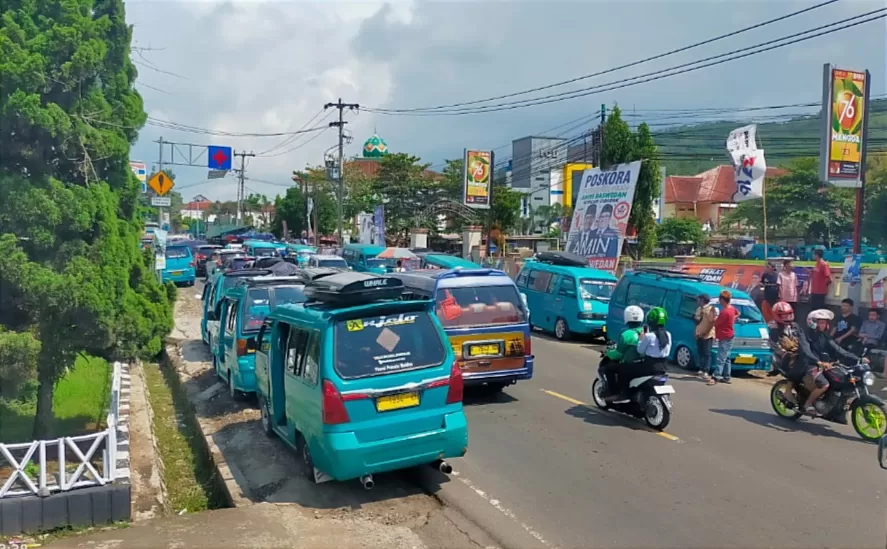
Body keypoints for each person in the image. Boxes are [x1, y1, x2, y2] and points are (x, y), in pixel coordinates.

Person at [801, 309, 866, 418]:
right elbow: (806, 351)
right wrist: (818, 362)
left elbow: (839, 350)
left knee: (841, 379)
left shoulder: (825, 336)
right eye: (821, 322)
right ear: (812, 322)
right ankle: (807, 405)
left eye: (825, 323)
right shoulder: (806, 335)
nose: (824, 325)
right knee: (824, 384)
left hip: (825, 364)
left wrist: (858, 359)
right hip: (810, 364)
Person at [602, 305, 644, 400]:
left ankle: (613, 392)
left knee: (608, 368)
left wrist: (608, 352)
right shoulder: (646, 332)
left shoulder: (626, 334)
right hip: (643, 364)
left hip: (628, 365)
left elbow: (618, 354)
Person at [708, 290, 739, 385]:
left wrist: (712, 318)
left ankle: (716, 376)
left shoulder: (724, 312)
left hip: (725, 336)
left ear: (722, 299)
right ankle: (727, 376)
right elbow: (738, 313)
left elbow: (716, 323)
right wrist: (733, 319)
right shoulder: (732, 309)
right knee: (727, 356)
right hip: (730, 334)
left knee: (721, 357)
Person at [768, 301, 804, 378]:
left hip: (795, 351)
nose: (787, 317)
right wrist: (784, 353)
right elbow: (773, 344)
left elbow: (802, 339)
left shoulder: (794, 325)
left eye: (788, 314)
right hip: (781, 354)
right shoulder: (773, 327)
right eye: (784, 316)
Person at [693, 294, 717, 377]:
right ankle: (701, 368)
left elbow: (711, 323)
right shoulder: (699, 309)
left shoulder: (711, 309)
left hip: (707, 335)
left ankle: (706, 370)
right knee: (700, 352)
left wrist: (705, 333)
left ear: (702, 300)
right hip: (699, 333)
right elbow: (697, 321)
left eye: (698, 299)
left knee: (706, 353)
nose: (697, 301)